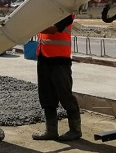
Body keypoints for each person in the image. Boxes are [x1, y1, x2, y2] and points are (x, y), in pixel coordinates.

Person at [32, 14, 82, 142]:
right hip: (43, 57)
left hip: (60, 60)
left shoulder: (67, 13)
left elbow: (54, 29)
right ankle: (51, 131)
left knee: (65, 94)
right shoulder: (47, 12)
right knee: (46, 95)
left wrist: (29, 29)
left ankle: (75, 130)